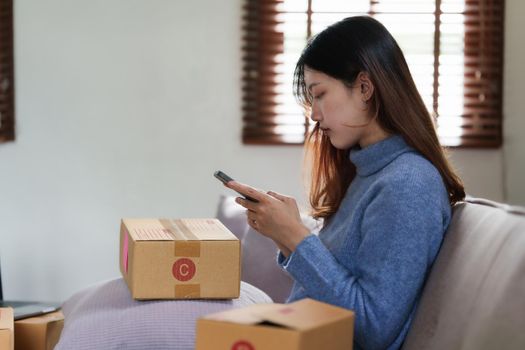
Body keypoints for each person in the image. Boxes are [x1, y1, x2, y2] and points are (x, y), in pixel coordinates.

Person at [227, 16, 465, 350]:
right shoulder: (368, 173)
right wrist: (287, 235)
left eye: (320, 94)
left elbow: (373, 327)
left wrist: (296, 238)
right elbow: (337, 286)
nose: (313, 115)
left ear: (365, 88)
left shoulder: (408, 185)